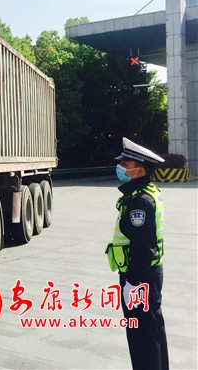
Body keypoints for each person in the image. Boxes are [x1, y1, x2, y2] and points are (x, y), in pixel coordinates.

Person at [106, 137, 168, 370]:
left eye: (126, 164)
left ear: (140, 170)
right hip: (148, 274)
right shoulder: (145, 193)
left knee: (141, 335)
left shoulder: (140, 202)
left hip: (139, 276)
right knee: (152, 331)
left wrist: (133, 283)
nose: (120, 167)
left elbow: (143, 247)